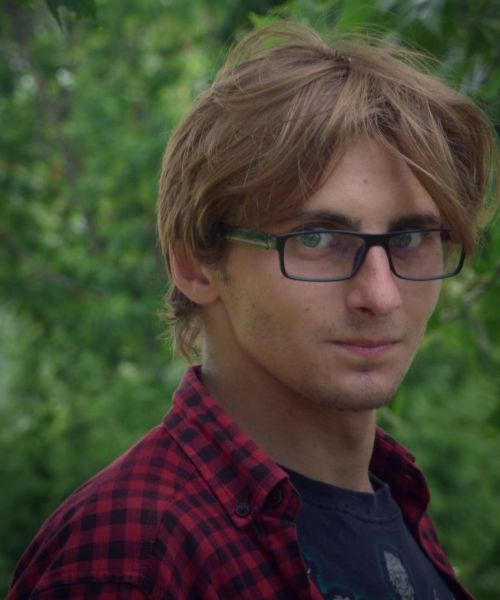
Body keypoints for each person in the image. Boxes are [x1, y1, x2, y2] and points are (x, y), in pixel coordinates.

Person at [8, 21, 497, 600]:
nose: (382, 295)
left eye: (411, 239)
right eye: (317, 239)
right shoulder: (129, 557)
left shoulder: (394, 501)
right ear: (195, 264)